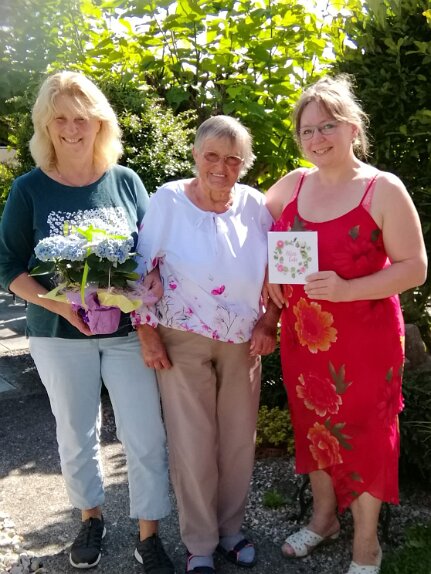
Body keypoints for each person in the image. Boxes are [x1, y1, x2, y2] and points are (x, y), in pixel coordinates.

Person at [0, 71, 176, 574]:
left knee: (145, 433)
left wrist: (150, 287)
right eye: (60, 119)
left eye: (82, 118)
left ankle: (149, 534)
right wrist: (58, 305)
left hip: (126, 335)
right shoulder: (29, 189)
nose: (72, 129)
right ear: (45, 125)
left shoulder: (125, 181)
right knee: (76, 433)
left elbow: (151, 255)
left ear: (100, 123)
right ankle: (90, 519)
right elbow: (8, 265)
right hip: (58, 335)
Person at [258, 74, 427, 574]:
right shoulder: (294, 183)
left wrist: (348, 289)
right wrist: (266, 271)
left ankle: (366, 545)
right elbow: (246, 223)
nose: (316, 139)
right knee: (314, 427)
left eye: (327, 126)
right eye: (306, 131)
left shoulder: (382, 188)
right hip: (303, 339)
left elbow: (415, 268)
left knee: (369, 433)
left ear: (353, 127)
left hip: (366, 339)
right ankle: (325, 518)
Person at [134, 115, 276, 574]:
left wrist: (270, 321)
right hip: (182, 337)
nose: (221, 167)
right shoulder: (169, 200)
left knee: (238, 439)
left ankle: (230, 531)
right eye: (211, 156)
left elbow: (278, 273)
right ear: (195, 154)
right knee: (192, 442)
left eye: (233, 159)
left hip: (243, 340)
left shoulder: (255, 205)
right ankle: (199, 543)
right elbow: (141, 268)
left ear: (243, 163)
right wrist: (147, 332)